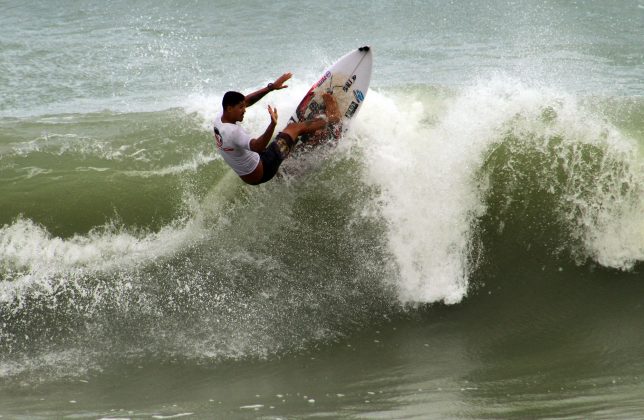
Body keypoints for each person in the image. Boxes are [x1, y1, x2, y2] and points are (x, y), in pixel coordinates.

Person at [213, 73, 339, 185]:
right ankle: (331, 119)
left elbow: (247, 100)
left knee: (285, 145)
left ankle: (287, 165)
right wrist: (272, 124)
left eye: (243, 106)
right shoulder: (233, 132)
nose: (244, 109)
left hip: (250, 174)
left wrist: (271, 87)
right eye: (241, 107)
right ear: (229, 108)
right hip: (264, 169)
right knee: (293, 128)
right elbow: (258, 147)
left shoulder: (220, 118)